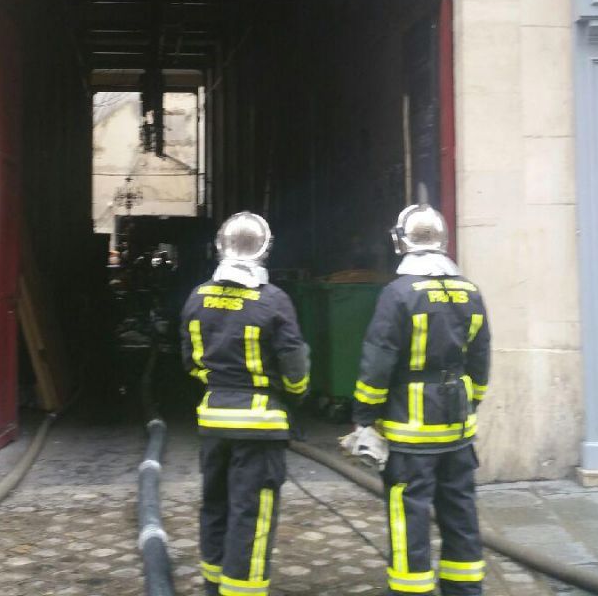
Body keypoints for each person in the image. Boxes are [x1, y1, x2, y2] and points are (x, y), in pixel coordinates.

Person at [344, 204, 491, 596]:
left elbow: (378, 362)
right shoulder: (470, 293)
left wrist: (364, 418)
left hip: (410, 433)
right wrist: (469, 402)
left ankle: (412, 591)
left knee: (408, 516)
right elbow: (479, 361)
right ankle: (465, 590)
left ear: (402, 241)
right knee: (460, 512)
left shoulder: (397, 295)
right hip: (458, 430)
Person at [181, 212, 310, 596]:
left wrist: (217, 387)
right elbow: (294, 364)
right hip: (260, 427)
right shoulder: (273, 301)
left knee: (215, 503)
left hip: (214, 419)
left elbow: (190, 361)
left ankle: (213, 582)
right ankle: (243, 589)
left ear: (221, 246)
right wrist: (297, 393)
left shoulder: (197, 296)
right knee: (252, 514)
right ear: (265, 249)